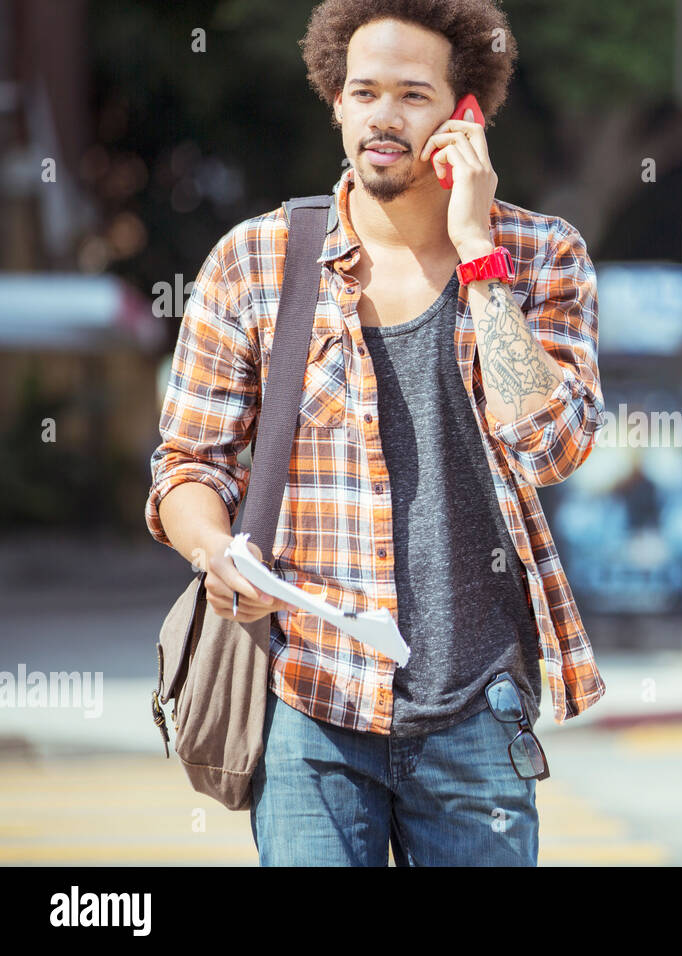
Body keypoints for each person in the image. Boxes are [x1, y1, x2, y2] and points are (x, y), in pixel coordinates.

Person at [144, 0, 607, 866]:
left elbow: (556, 447)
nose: (383, 117)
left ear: (465, 115)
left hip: (478, 710)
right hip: (309, 702)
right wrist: (215, 553)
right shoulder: (257, 260)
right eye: (363, 92)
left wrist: (478, 256)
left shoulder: (546, 257)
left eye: (412, 94)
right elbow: (188, 464)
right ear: (335, 99)